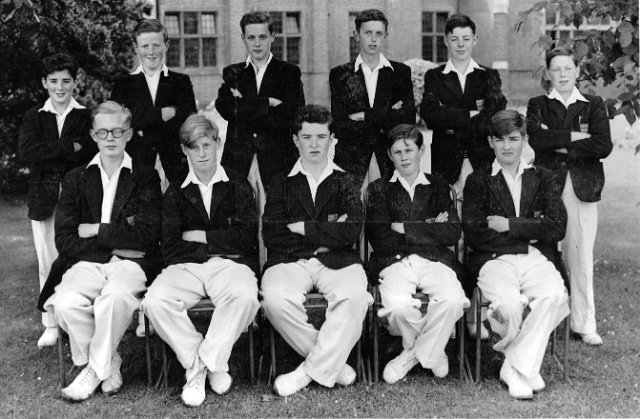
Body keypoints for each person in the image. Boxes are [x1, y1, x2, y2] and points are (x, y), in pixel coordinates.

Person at [40, 101, 162, 401]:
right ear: (93, 135)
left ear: (129, 134)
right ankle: (109, 362)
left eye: (117, 131)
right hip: (88, 261)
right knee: (65, 303)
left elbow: (147, 235)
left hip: (132, 265)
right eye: (103, 132)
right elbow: (65, 239)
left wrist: (97, 229)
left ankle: (93, 372)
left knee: (115, 297)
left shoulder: (145, 176)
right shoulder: (76, 178)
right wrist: (114, 247)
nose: (110, 138)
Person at [141, 115, 260, 407]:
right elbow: (171, 247)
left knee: (244, 295)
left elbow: (245, 239)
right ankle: (205, 363)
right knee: (155, 301)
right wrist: (218, 243)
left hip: (230, 265)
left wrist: (199, 236)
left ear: (217, 143)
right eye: (194, 148)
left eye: (207, 145)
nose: (202, 153)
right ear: (185, 150)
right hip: (186, 267)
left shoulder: (237, 183)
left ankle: (201, 367)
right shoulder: (176, 190)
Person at [260, 105, 373, 397]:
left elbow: (351, 232)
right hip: (289, 261)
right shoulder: (280, 182)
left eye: (321, 137)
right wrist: (326, 232)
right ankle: (334, 365)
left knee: (355, 296)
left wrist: (303, 228)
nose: (314, 144)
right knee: (274, 299)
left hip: (338, 261)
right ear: (295, 140)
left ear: (331, 139)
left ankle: (306, 372)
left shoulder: (347, 180)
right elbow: (272, 234)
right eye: (306, 137)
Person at [462, 109, 570, 400]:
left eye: (513, 138)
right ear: (490, 142)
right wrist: (531, 230)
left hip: (535, 257)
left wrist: (509, 224)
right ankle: (526, 367)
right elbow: (474, 233)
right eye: (500, 140)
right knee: (508, 305)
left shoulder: (544, 177)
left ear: (524, 139)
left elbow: (557, 226)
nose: (507, 146)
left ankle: (513, 367)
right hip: (494, 259)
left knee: (554, 296)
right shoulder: (478, 181)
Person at [366, 124, 469, 384]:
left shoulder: (438, 186)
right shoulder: (379, 189)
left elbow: (452, 232)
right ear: (389, 155)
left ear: (421, 151)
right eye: (397, 152)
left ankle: (412, 354)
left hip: (434, 260)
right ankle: (434, 349)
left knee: (452, 299)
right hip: (394, 262)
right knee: (397, 307)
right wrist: (428, 226)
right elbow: (379, 238)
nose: (404, 157)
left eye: (409, 150)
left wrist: (403, 227)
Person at [526, 46, 612, 346]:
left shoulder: (593, 104)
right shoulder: (538, 104)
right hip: (547, 186)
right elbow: (537, 139)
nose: (562, 74)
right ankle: (545, 317)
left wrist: (556, 140)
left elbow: (602, 145)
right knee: (544, 250)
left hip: (581, 187)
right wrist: (576, 137)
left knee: (580, 253)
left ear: (577, 70)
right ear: (548, 73)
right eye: (556, 69)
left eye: (568, 68)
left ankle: (583, 322)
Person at [19, 53, 97, 348]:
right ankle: (51, 324)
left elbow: (88, 152)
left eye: (66, 81)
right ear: (44, 83)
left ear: (75, 82)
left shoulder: (85, 116)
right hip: (44, 198)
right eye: (53, 81)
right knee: (47, 260)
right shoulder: (34, 116)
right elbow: (28, 152)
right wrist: (67, 147)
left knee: (79, 258)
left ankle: (77, 319)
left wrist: (52, 150)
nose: (60, 87)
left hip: (78, 199)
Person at [215, 11, 305, 189]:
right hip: (238, 161)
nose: (257, 44)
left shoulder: (289, 72)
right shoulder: (233, 72)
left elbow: (293, 115)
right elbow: (226, 109)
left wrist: (245, 107)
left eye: (262, 37)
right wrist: (269, 102)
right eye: (251, 37)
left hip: (277, 161)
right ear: (243, 38)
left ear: (273, 37)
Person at [420, 13, 507, 191]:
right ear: (446, 40)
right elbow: (430, 114)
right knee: (448, 206)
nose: (461, 45)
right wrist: (471, 114)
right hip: (445, 161)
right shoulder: (434, 76)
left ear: (475, 40)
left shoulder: (489, 75)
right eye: (454, 39)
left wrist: (451, 124)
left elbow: (494, 115)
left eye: (466, 39)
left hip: (481, 160)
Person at [329, 8, 415, 184]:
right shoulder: (340, 74)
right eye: (368, 33)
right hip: (351, 160)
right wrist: (387, 115)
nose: (374, 39)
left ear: (385, 36)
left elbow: (407, 119)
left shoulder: (400, 72)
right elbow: (339, 124)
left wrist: (364, 115)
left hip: (389, 161)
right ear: (356, 35)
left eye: (379, 33)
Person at [111, 18, 197, 183]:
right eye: (144, 46)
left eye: (156, 45)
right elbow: (119, 123)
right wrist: (160, 114)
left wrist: (142, 124)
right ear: (136, 48)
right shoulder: (123, 84)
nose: (151, 52)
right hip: (138, 164)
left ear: (166, 45)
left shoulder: (181, 82)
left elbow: (188, 119)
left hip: (175, 163)